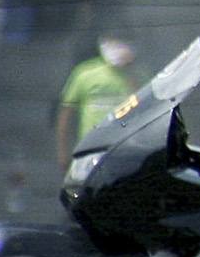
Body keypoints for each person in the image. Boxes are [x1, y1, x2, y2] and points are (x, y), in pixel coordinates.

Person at [53, 36, 140, 167]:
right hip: (91, 149)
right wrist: (63, 152)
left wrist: (131, 74)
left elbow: (145, 109)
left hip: (125, 150)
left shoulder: (137, 75)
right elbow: (66, 114)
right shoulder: (85, 73)